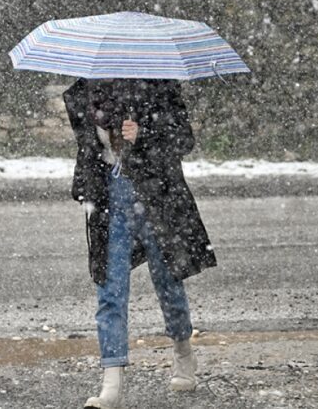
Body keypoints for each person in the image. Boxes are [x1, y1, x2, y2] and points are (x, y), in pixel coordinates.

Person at [63, 78, 217, 408]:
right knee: (110, 288)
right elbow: (87, 149)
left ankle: (183, 353)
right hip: (109, 198)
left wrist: (143, 133)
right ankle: (111, 382)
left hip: (154, 194)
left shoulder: (157, 85)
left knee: (167, 280)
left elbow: (183, 138)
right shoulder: (86, 94)